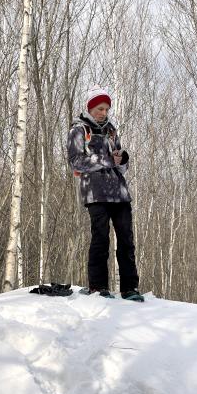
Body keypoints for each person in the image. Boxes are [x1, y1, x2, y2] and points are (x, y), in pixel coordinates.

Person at [67, 85, 143, 302]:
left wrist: (122, 160)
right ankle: (98, 287)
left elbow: (120, 165)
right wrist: (107, 160)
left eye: (107, 109)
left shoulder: (111, 130)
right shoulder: (78, 130)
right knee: (100, 238)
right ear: (90, 108)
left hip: (119, 193)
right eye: (100, 108)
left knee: (126, 240)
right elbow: (76, 162)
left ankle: (130, 288)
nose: (104, 113)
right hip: (95, 192)